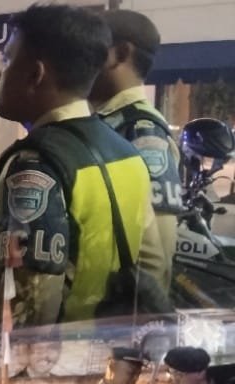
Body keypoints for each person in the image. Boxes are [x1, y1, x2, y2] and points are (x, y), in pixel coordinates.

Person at [0, 4, 164, 326]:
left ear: (35, 74)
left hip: (57, 348)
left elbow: (33, 304)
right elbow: (151, 259)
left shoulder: (35, 164)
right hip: (110, 341)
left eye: (7, 60)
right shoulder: (127, 153)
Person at [89, 10, 179, 291]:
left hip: (118, 312)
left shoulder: (141, 131)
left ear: (120, 54)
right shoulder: (104, 122)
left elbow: (155, 260)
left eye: (89, 49)